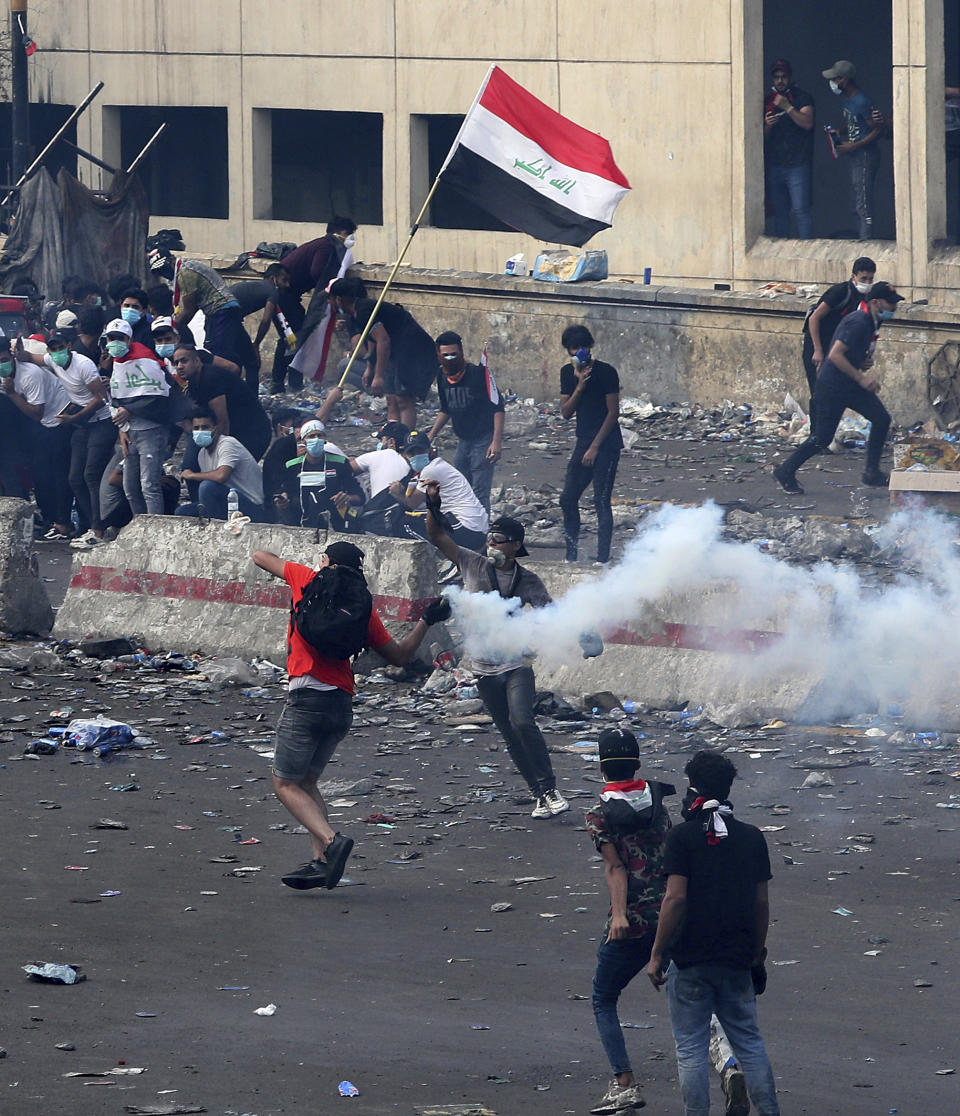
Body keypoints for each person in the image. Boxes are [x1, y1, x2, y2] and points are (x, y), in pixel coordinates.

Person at [250, 540, 449, 889]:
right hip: (340, 706)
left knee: (285, 784)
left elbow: (260, 557)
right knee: (308, 783)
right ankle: (321, 863)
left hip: (306, 700)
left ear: (327, 562)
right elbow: (400, 656)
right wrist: (426, 620)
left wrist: (312, 568)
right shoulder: (362, 610)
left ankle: (331, 841)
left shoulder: (307, 580)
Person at [647, 751, 779, 1116]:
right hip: (737, 959)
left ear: (692, 788)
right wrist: (756, 953)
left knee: (689, 1048)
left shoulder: (682, 837)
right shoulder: (752, 838)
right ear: (729, 786)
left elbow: (675, 898)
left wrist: (657, 953)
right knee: (750, 1044)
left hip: (690, 960)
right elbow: (760, 905)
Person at [424, 499, 569, 819]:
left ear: (516, 545)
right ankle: (539, 796)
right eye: (490, 537)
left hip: (516, 665)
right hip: (483, 669)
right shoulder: (472, 563)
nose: (491, 543)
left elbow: (553, 615)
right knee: (509, 733)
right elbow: (437, 536)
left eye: (499, 539)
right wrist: (432, 504)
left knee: (522, 721)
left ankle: (550, 787)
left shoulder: (528, 580)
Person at [586, 727, 675, 1115]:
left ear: (602, 768)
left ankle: (624, 1083)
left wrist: (619, 915)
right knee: (692, 993)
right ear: (638, 763)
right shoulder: (660, 803)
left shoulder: (599, 813)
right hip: (674, 913)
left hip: (634, 921)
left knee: (604, 998)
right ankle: (728, 1062)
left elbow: (615, 867)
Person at [774, 280, 903, 494]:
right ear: (875, 302)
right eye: (890, 303)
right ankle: (785, 471)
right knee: (822, 438)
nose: (894, 308)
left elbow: (848, 352)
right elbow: (835, 355)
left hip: (848, 383)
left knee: (881, 419)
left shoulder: (872, 320)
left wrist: (860, 363)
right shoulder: (859, 321)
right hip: (833, 385)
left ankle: (871, 473)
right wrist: (861, 378)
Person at [21, 329, 115, 549]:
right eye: (53, 349)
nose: (57, 352)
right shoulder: (52, 360)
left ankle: (99, 530)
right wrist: (19, 352)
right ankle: (94, 524)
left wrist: (76, 417)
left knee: (90, 474)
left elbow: (102, 397)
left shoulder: (83, 365)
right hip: (81, 424)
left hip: (100, 421)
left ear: (69, 346)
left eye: (60, 347)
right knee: (74, 478)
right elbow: (29, 357)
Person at [330, 277, 437, 429]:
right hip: (396, 352)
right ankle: (392, 436)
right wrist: (370, 367)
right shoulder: (354, 315)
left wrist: (378, 376)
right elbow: (373, 341)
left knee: (403, 399)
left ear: (339, 299)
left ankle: (405, 440)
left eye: (330, 299)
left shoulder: (364, 311)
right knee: (391, 398)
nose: (329, 304)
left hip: (411, 350)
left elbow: (383, 341)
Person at [558, 325, 623, 564]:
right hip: (583, 441)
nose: (579, 353)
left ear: (590, 347)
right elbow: (565, 412)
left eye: (583, 348)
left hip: (606, 444)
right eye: (574, 349)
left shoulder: (606, 372)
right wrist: (580, 385)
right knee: (567, 498)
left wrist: (595, 447)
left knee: (601, 501)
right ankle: (571, 556)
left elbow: (612, 412)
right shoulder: (568, 373)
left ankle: (602, 559)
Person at [1, 335, 74, 538]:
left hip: (59, 419)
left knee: (59, 474)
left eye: (3, 359)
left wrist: (12, 393)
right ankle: (49, 518)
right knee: (40, 473)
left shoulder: (29, 375)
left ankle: (63, 523)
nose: (1, 365)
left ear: (11, 357)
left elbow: (36, 412)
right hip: (40, 426)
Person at [276, 218, 357, 392]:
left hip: (288, 295)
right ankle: (280, 382)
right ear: (339, 232)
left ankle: (290, 381)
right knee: (292, 337)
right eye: (348, 234)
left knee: (294, 337)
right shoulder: (326, 247)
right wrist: (325, 288)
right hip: (283, 295)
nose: (350, 238)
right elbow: (317, 270)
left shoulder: (323, 245)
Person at [427, 331, 504, 513]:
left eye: (454, 354)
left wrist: (496, 441)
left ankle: (481, 531)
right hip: (463, 439)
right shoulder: (441, 376)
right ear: (439, 355)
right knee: (462, 487)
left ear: (461, 352)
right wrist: (431, 434)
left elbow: (498, 407)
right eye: (445, 355)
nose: (450, 359)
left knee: (480, 491)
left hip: (483, 439)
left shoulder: (478, 374)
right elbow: (446, 409)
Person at [106, 318, 172, 516]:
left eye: (120, 338)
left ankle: (154, 528)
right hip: (130, 432)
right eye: (111, 338)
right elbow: (120, 399)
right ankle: (139, 525)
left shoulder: (146, 360)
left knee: (149, 485)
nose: (115, 342)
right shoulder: (118, 362)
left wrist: (131, 410)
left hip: (151, 430)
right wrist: (122, 429)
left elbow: (156, 394)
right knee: (130, 487)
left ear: (129, 339)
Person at [801, 256, 875, 423]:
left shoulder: (867, 299)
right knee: (818, 392)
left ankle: (825, 433)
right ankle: (816, 436)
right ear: (853, 276)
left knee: (835, 391)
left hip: (837, 347)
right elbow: (814, 318)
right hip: (819, 342)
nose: (867, 282)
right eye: (863, 278)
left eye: (870, 279)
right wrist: (818, 350)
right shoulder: (840, 292)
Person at [168, 257, 259, 387]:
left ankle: (230, 397)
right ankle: (250, 399)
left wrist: (173, 327)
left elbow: (189, 310)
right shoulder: (191, 265)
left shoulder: (184, 273)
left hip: (219, 312)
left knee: (222, 361)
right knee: (249, 358)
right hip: (230, 308)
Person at [393, 432, 488, 549]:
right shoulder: (439, 465)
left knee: (406, 523)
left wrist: (397, 494)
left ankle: (440, 557)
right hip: (478, 530)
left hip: (466, 527)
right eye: (411, 453)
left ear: (428, 449)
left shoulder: (431, 470)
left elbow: (412, 503)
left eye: (420, 451)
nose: (416, 455)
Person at [823, 60, 883, 240]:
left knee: (863, 203)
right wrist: (839, 132)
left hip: (865, 155)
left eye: (835, 79)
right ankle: (861, 236)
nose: (832, 82)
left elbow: (877, 129)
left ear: (844, 80)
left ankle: (866, 242)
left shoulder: (861, 101)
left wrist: (853, 145)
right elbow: (853, 122)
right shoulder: (847, 100)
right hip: (854, 155)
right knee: (855, 201)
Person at [176, 407, 268, 522]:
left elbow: (221, 476)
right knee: (182, 513)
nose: (200, 431)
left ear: (215, 428)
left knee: (207, 487)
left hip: (251, 506)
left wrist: (192, 475)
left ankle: (215, 530)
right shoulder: (202, 454)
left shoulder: (227, 444)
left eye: (205, 427)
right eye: (196, 428)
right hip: (227, 504)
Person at [272, 418, 364, 529]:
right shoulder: (291, 466)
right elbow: (283, 492)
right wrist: (282, 500)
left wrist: (347, 498)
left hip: (335, 524)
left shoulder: (339, 463)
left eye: (319, 436)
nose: (316, 439)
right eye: (311, 436)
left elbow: (360, 496)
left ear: (325, 440)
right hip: (300, 523)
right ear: (303, 441)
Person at [763, 58, 815, 239]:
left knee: (801, 211)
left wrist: (788, 107)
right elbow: (758, 138)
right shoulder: (767, 101)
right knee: (780, 212)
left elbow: (808, 123)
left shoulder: (802, 97)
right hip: (776, 164)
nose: (780, 81)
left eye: (783, 77)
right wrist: (768, 125)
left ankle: (807, 250)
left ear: (790, 77)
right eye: (776, 77)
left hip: (798, 164)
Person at [229, 263, 291, 367]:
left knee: (243, 359)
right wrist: (256, 344)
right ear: (273, 278)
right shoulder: (273, 291)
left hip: (224, 317)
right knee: (250, 361)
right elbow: (266, 320)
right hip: (225, 318)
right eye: (284, 280)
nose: (287, 285)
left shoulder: (258, 286)